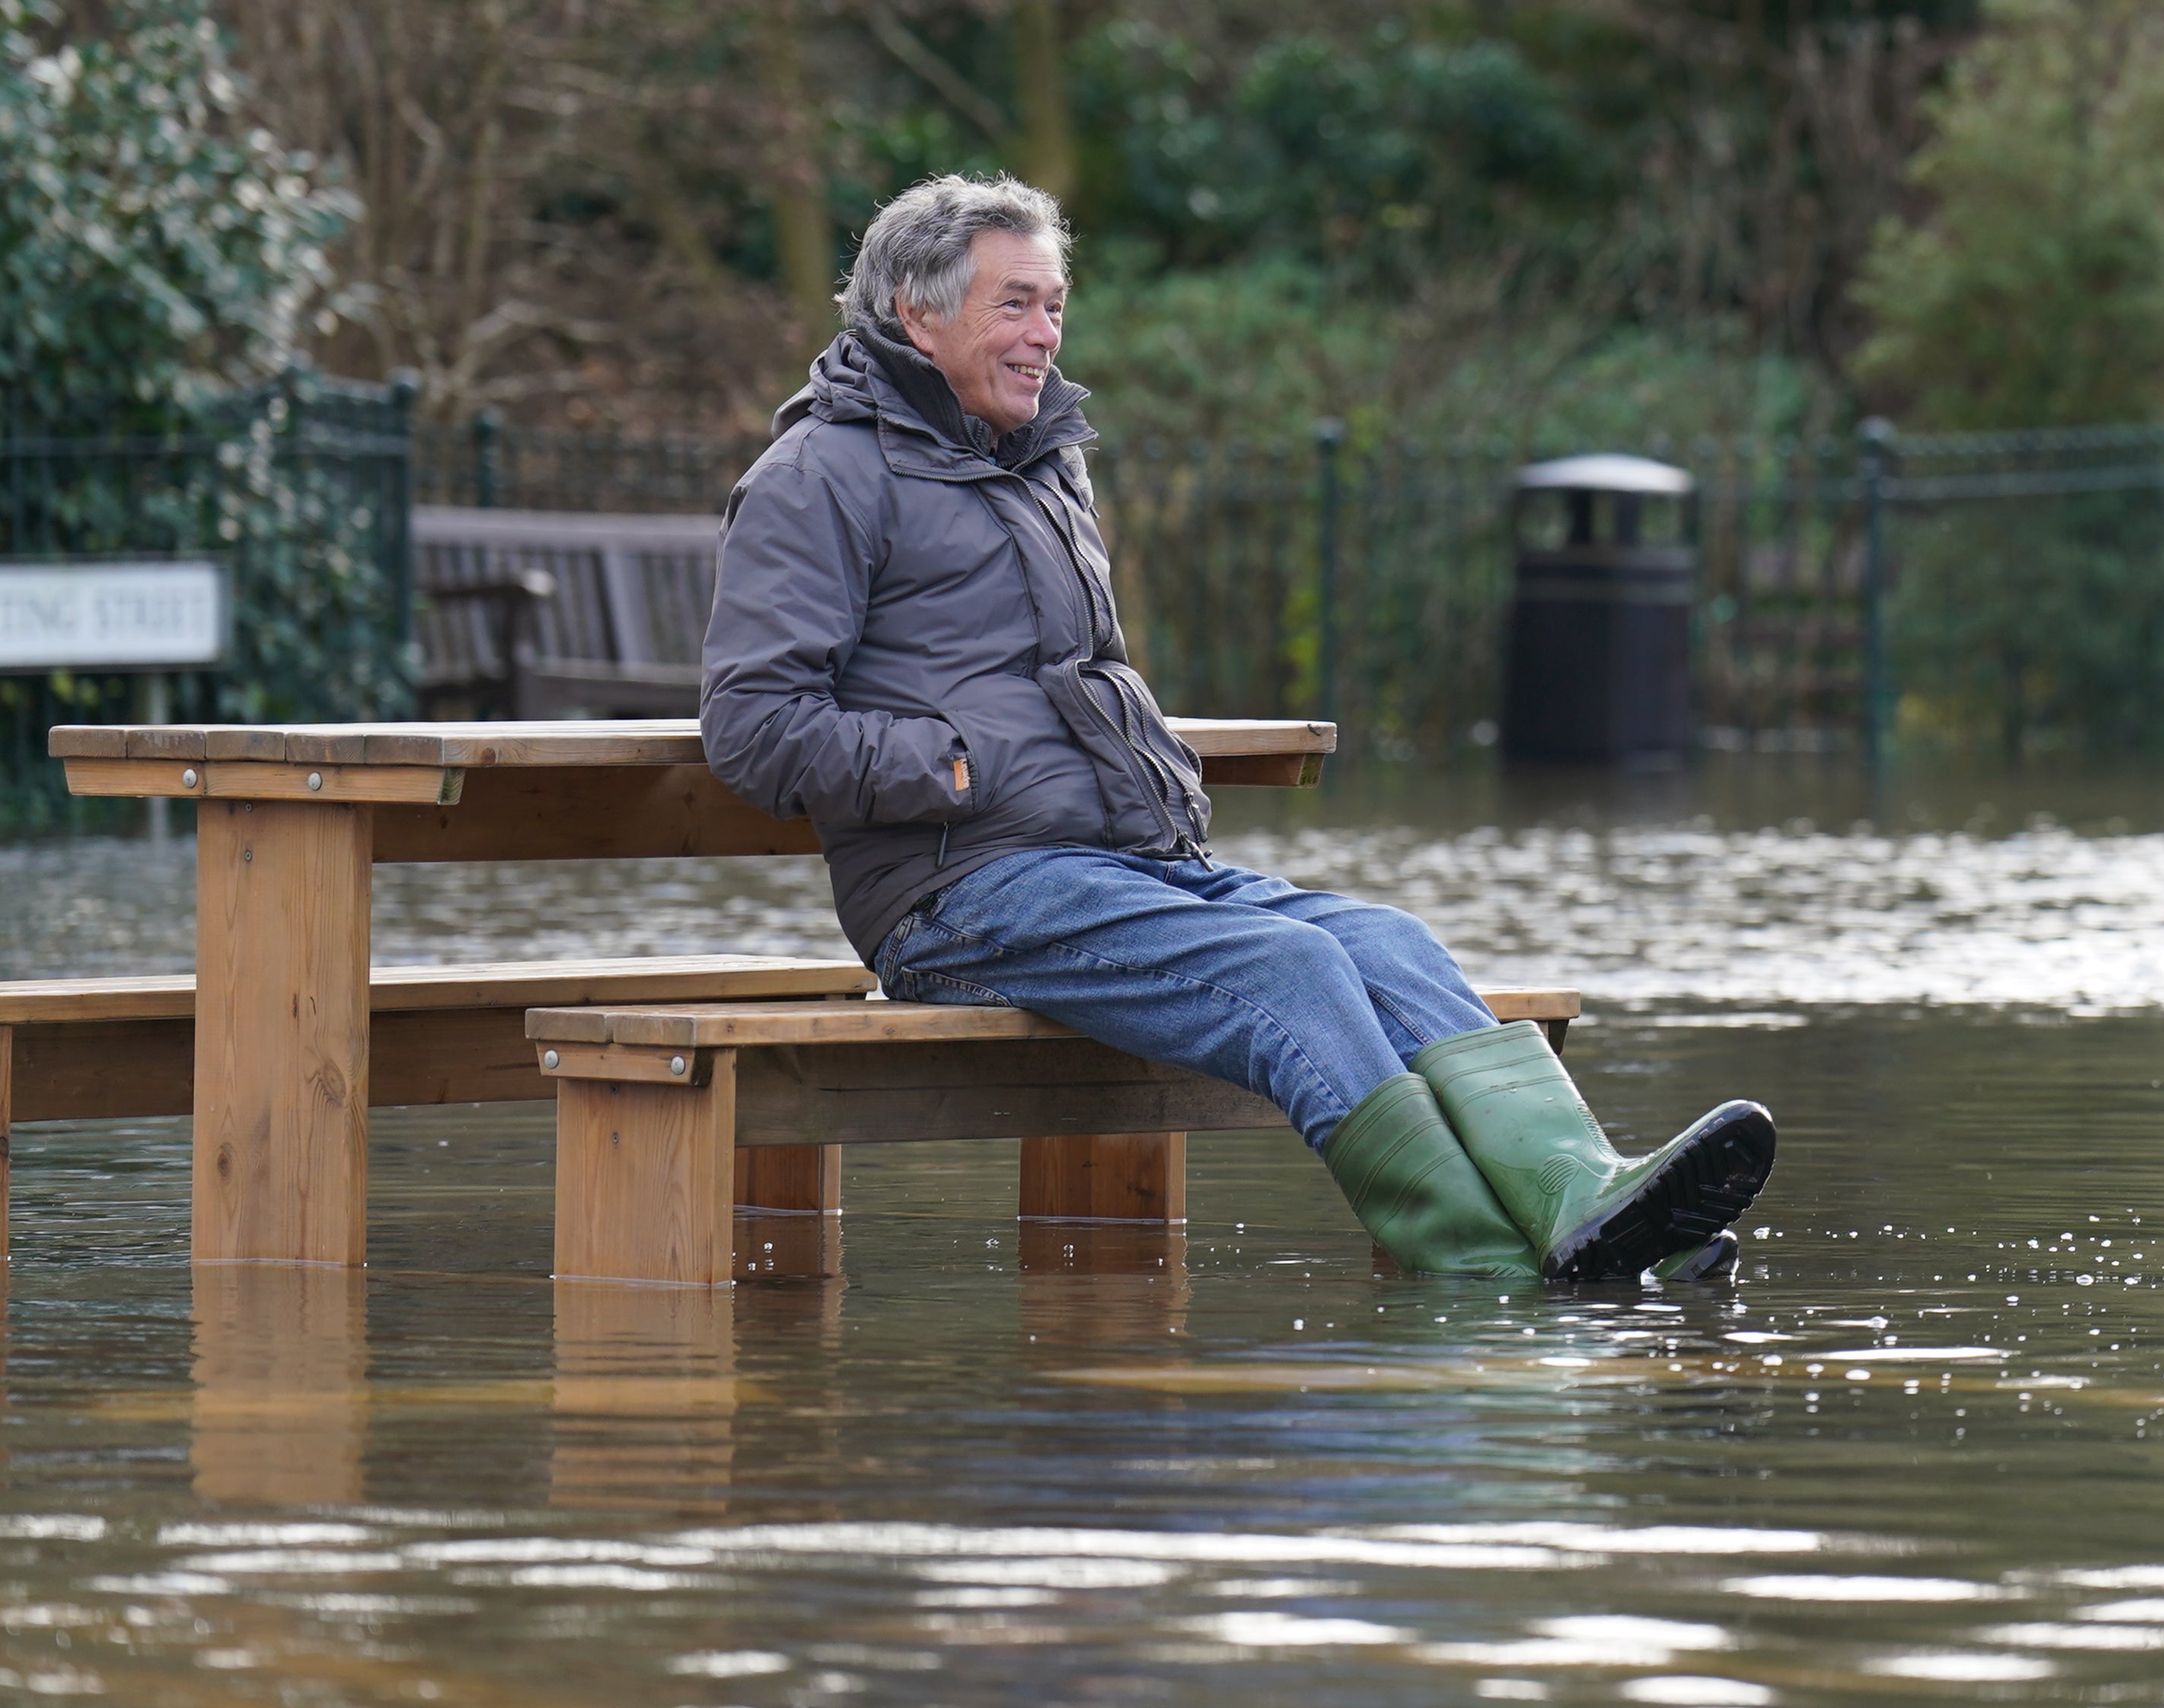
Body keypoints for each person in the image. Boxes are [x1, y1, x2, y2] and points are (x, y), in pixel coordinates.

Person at [700, 172, 1772, 1287]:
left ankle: (1586, 1205)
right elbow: (753, 727)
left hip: (1122, 866)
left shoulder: (1041, 465)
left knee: (1393, 945)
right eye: (1014, 304)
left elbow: (1084, 673)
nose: (1045, 334)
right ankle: (1480, 1272)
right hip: (955, 898)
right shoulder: (819, 475)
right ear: (915, 313)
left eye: (1055, 304)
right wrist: (956, 766)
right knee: (1289, 967)